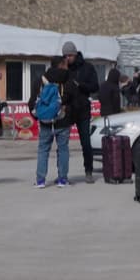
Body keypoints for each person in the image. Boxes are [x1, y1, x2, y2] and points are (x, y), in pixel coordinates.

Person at [28, 56, 74, 188]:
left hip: (45, 121)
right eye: (65, 65)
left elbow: (32, 101)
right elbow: (73, 99)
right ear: (61, 65)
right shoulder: (68, 79)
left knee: (43, 150)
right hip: (63, 120)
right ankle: (62, 180)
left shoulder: (41, 79)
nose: (67, 67)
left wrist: (39, 116)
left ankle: (41, 180)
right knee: (63, 149)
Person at [63, 41, 99, 184]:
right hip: (68, 109)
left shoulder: (87, 67)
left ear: (75, 54)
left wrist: (81, 85)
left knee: (85, 142)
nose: (67, 58)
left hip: (83, 109)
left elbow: (95, 86)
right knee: (62, 143)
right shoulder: (64, 68)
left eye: (69, 55)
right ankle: (62, 174)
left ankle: (88, 171)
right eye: (65, 56)